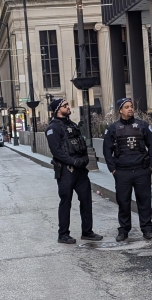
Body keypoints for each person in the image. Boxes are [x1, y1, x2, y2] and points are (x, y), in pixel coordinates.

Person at [46, 98, 103, 244]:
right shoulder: (53, 128)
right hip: (66, 170)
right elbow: (57, 151)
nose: (68, 107)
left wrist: (84, 160)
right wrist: (73, 161)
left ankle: (87, 232)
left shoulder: (72, 125)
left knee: (86, 200)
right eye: (65, 105)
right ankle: (63, 234)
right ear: (58, 109)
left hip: (80, 170)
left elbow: (81, 144)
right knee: (66, 201)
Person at [103, 98, 152, 242]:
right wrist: (113, 170)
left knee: (144, 201)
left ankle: (147, 229)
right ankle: (123, 230)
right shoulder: (113, 128)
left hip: (141, 170)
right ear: (120, 110)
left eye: (131, 106)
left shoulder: (143, 126)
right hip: (122, 172)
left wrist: (151, 166)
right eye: (126, 107)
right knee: (123, 202)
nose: (130, 109)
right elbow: (107, 151)